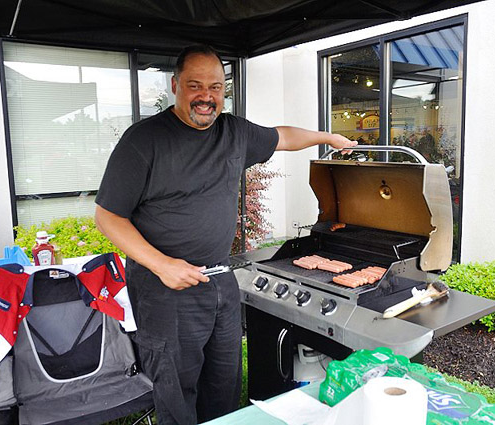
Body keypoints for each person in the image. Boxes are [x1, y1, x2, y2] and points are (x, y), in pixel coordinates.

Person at [94, 44, 356, 425]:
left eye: (215, 87)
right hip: (165, 290)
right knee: (177, 392)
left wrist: (328, 138)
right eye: (195, 85)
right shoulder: (144, 141)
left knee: (224, 384)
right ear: (175, 85)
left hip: (220, 281)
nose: (206, 97)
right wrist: (163, 265)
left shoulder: (233, 132)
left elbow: (281, 136)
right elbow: (107, 216)